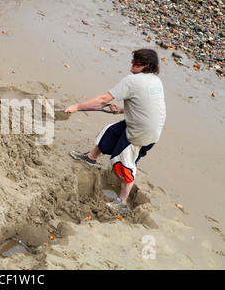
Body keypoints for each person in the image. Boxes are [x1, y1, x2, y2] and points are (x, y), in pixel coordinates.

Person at [64, 49, 166, 211]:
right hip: (148, 126)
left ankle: (122, 201)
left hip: (142, 132)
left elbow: (104, 99)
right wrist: (122, 110)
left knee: (123, 163)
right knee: (110, 131)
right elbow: (147, 108)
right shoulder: (155, 81)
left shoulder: (132, 81)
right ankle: (90, 158)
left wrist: (77, 106)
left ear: (146, 65)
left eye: (136, 62)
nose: (132, 64)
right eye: (133, 60)